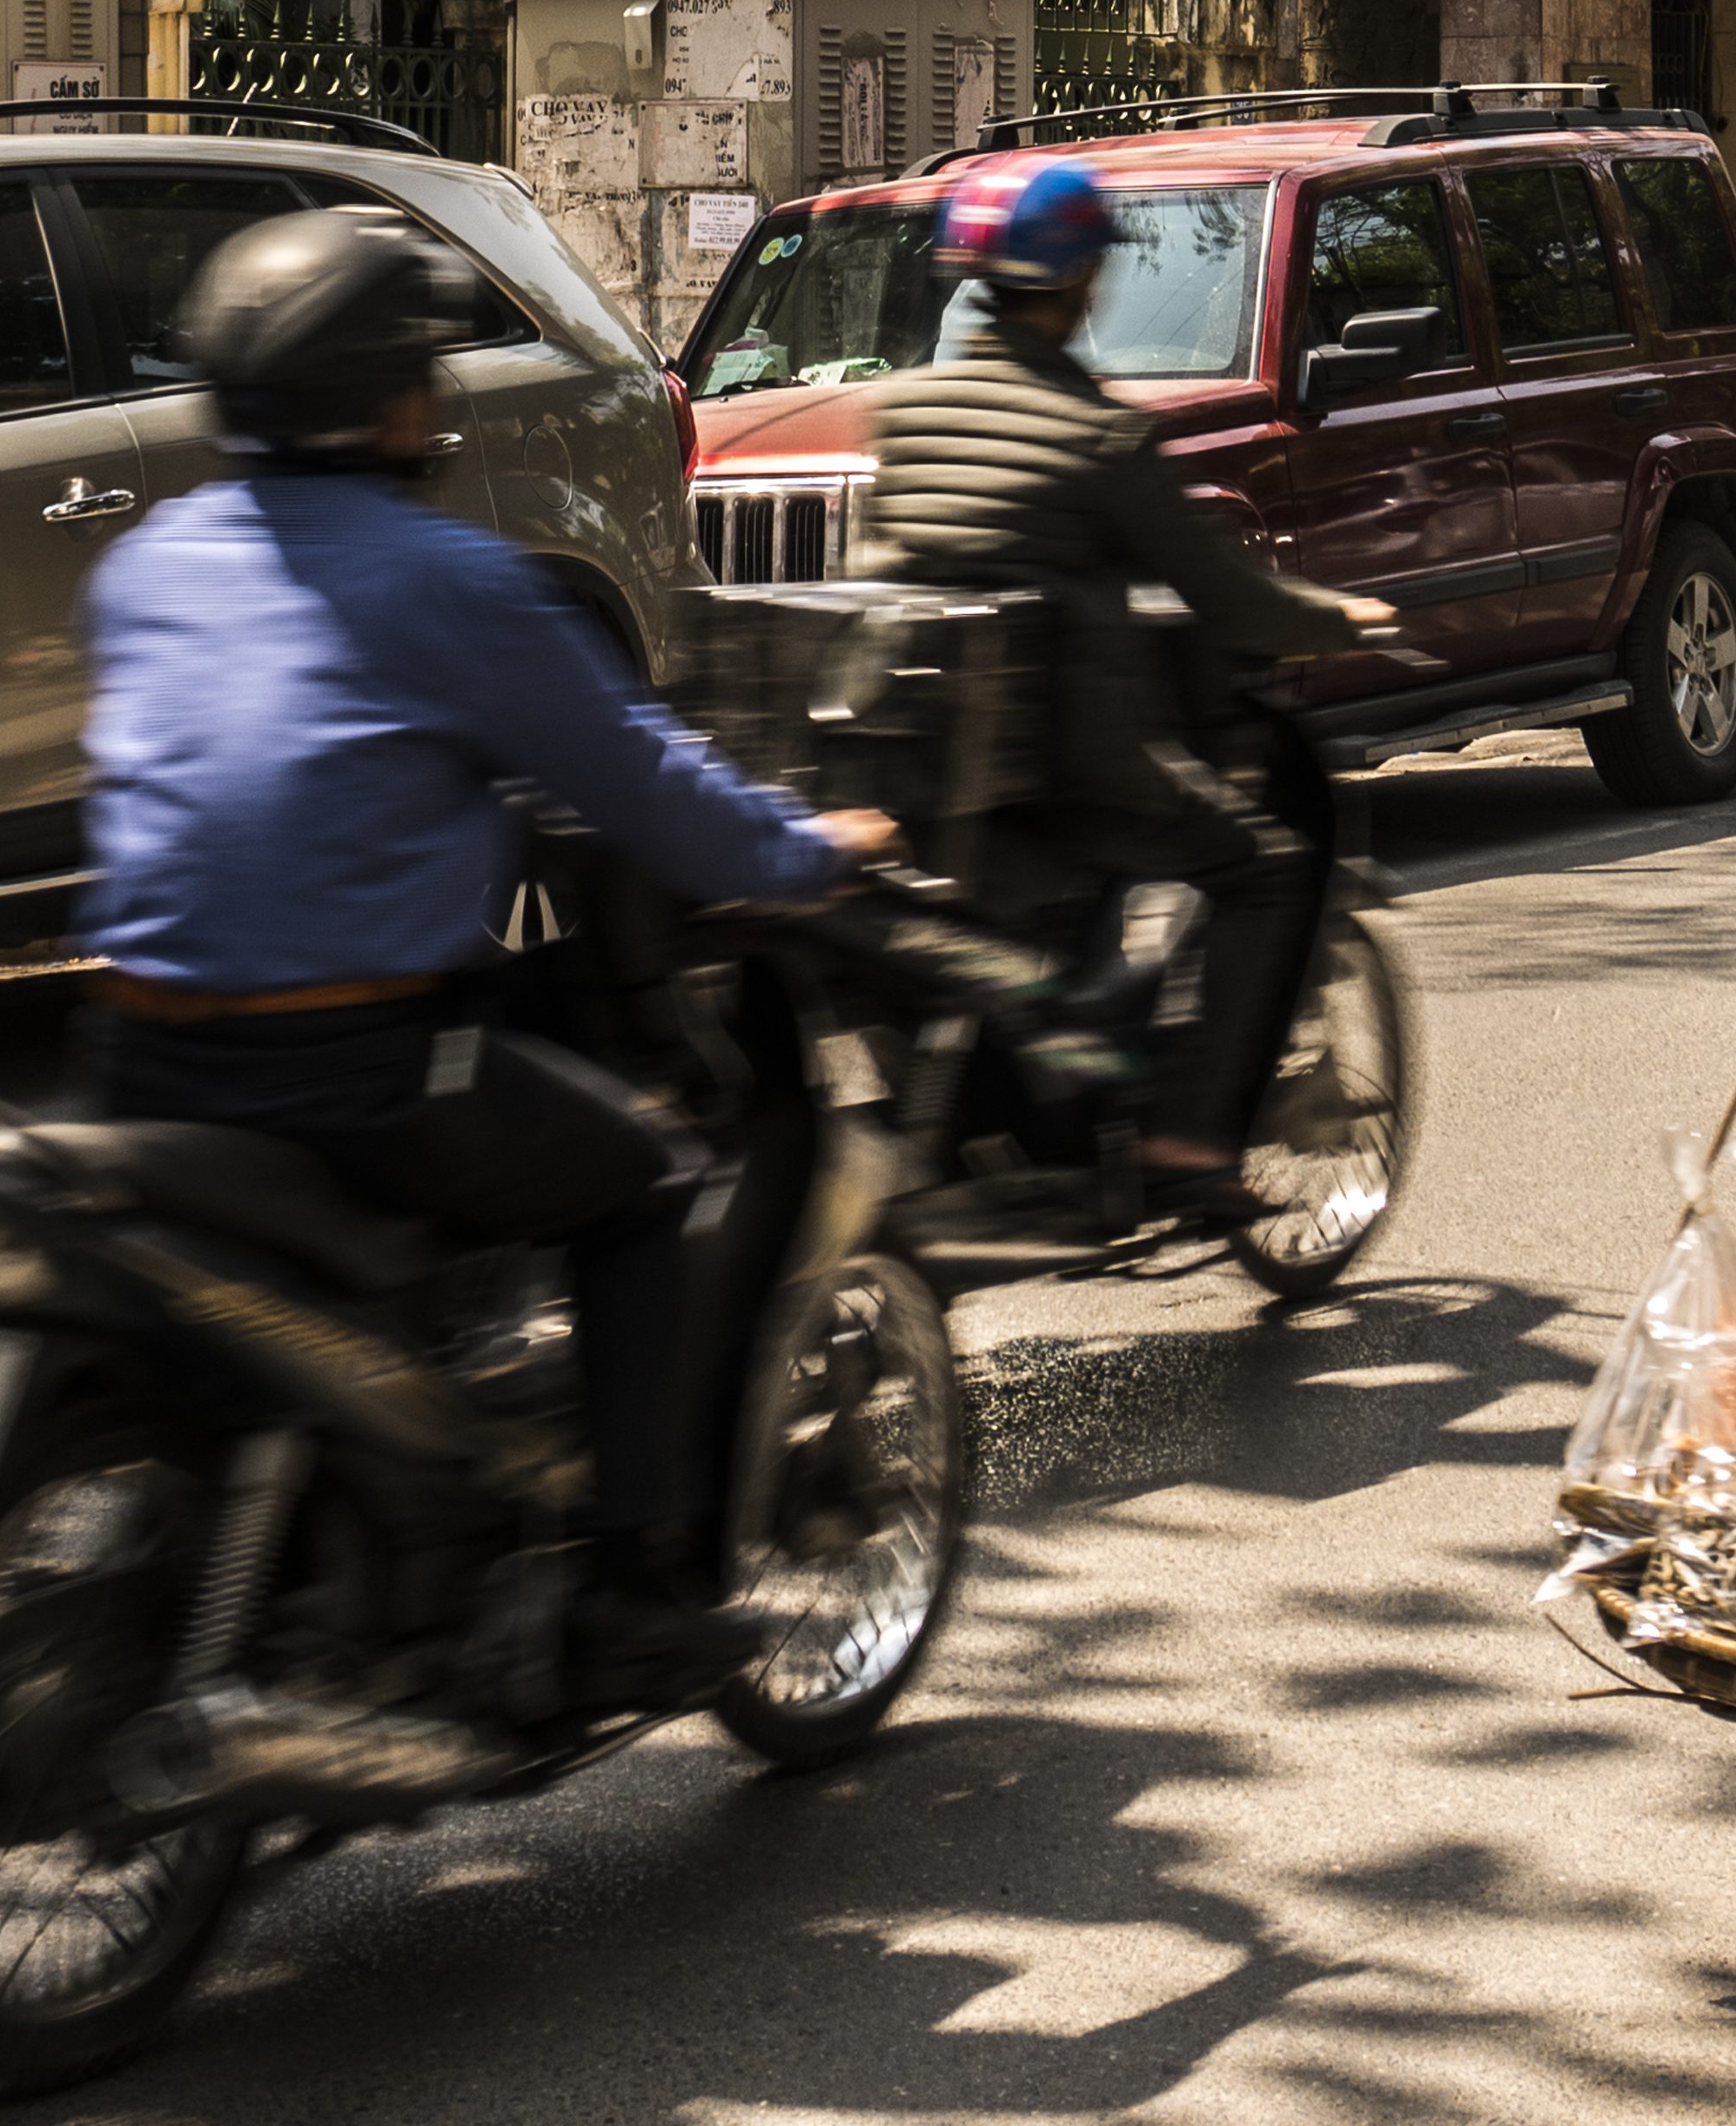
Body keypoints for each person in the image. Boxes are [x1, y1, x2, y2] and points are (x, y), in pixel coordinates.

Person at [77, 208, 897, 1702]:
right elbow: (648, 792)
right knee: (648, 1183)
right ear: (394, 397)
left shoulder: (148, 565)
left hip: (137, 1062)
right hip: (355, 1076)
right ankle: (634, 1587)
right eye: (426, 372)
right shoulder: (451, 580)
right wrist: (805, 852)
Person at [854, 158, 1392, 1215]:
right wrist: (1341, 617)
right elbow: (1231, 599)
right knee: (1267, 869)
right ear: (1079, 282)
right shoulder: (1101, 434)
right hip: (1069, 771)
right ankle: (1194, 1145)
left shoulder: (902, 415)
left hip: (919, 766)